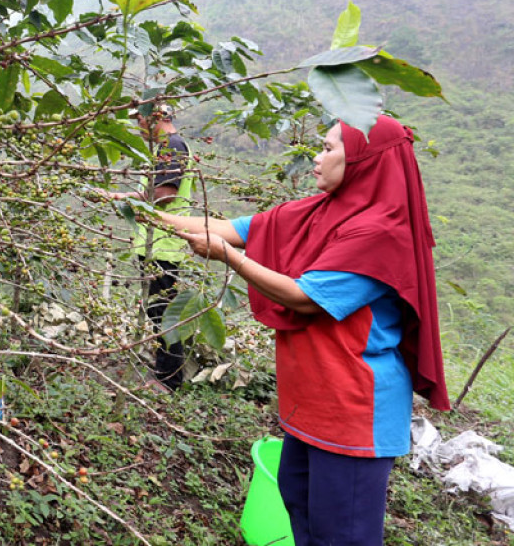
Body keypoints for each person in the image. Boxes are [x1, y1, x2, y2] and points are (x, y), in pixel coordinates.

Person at [156, 115, 449, 545]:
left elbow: (303, 297)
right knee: (303, 516)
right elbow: (225, 229)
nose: (316, 157)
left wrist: (229, 259)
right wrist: (141, 210)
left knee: (342, 534)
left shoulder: (382, 234)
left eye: (329, 149)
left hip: (353, 410)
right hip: (310, 403)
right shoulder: (318, 212)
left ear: (363, 162)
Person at [110, 104, 193, 391]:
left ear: (156, 117)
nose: (138, 125)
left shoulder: (173, 146)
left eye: (140, 119)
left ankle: (169, 381)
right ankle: (164, 372)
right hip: (153, 243)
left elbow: (164, 195)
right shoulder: (162, 148)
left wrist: (120, 196)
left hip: (164, 244)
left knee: (163, 312)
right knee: (157, 311)